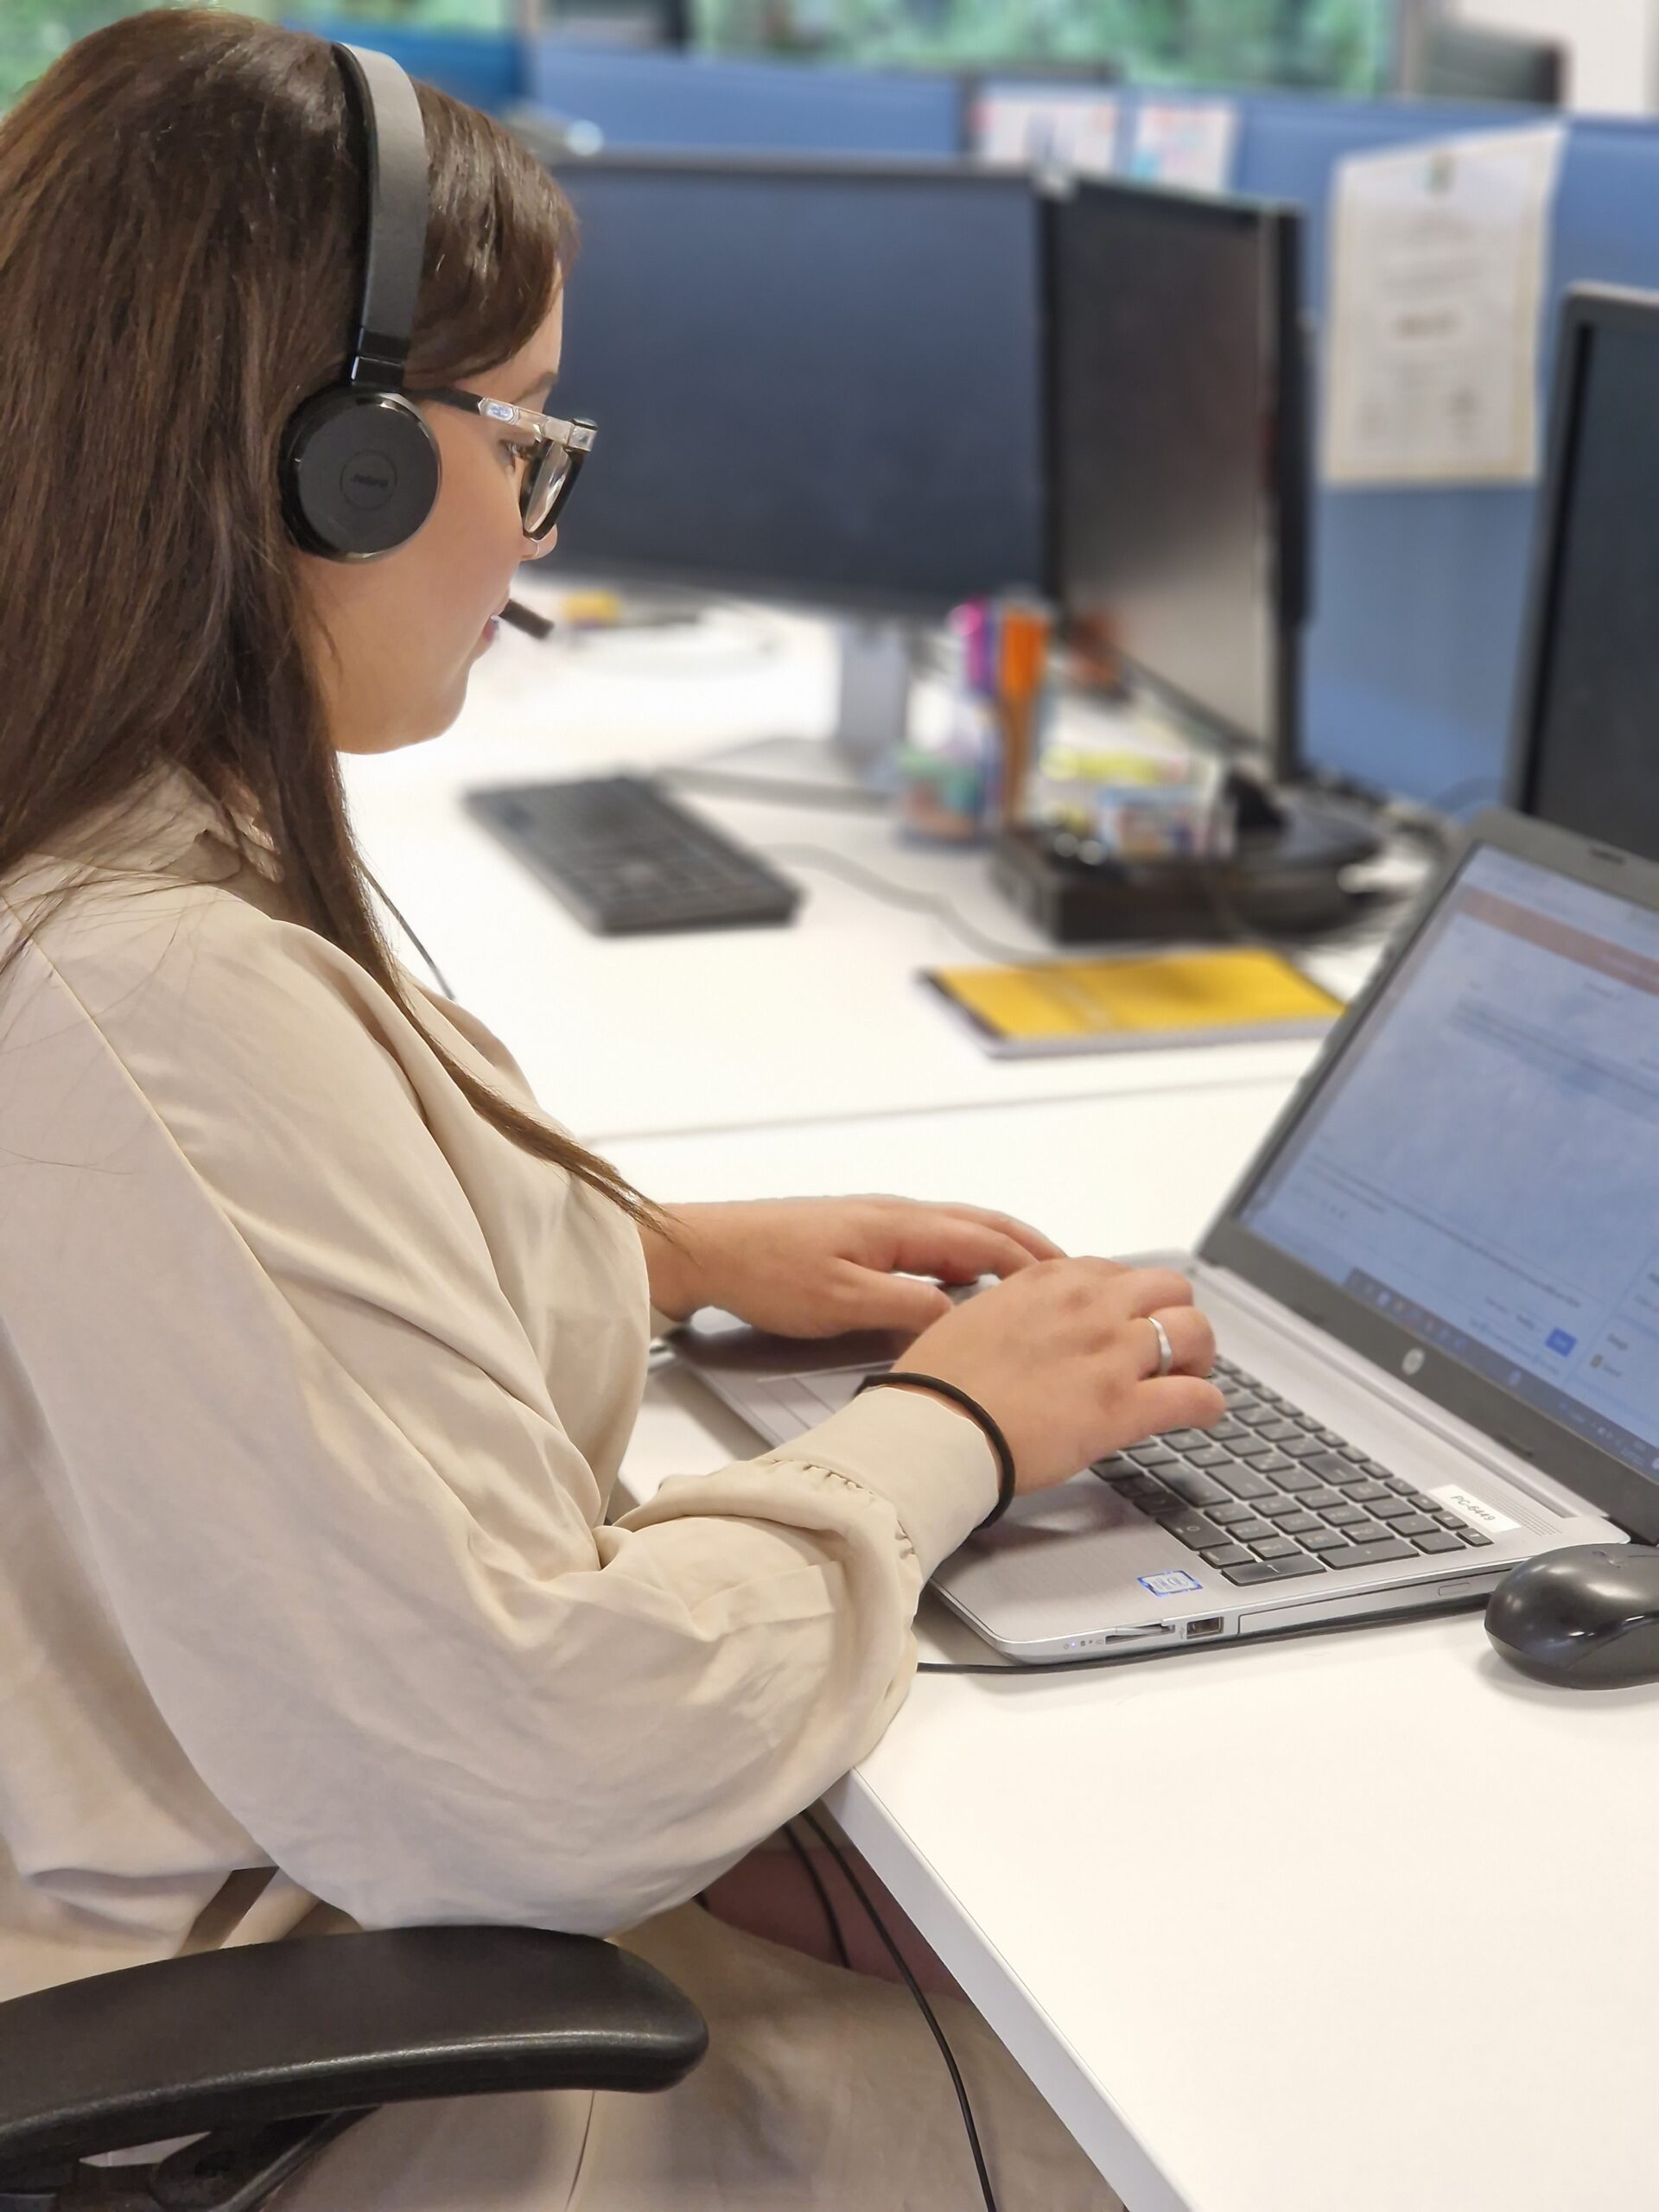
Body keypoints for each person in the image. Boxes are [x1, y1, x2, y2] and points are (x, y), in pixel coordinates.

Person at [0, 13, 1223, 2207]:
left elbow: (208, 1303)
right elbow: (539, 1773)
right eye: (528, 436)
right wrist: (958, 1428)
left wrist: (649, 1252)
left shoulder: (105, 833)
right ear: (339, 465)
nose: (546, 513)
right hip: (298, 2059)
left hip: (265, 1890)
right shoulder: (139, 981)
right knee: (1197, 2103)